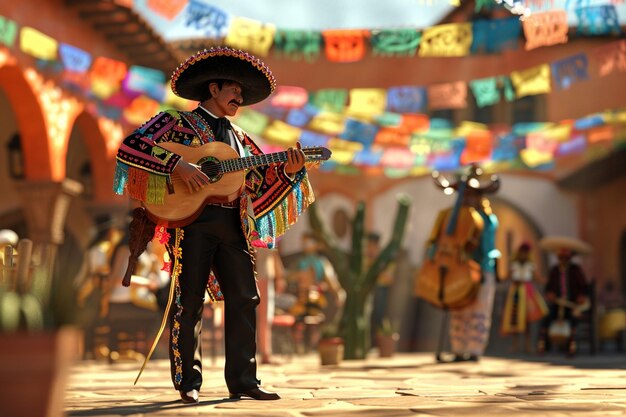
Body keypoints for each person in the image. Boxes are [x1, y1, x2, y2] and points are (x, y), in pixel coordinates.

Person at [113, 46, 315, 404]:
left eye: (241, 92)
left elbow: (260, 193)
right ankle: (187, 380)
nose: (240, 96)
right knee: (188, 300)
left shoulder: (243, 139)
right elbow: (131, 146)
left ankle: (243, 380)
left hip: (233, 222)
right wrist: (177, 164)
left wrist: (288, 171)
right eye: (234, 89)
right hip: (191, 221)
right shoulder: (175, 121)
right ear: (213, 89)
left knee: (245, 297)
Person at [420, 165, 500, 363]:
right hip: (456, 269)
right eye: (464, 195)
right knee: (459, 310)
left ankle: (473, 350)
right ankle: (458, 349)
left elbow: (487, 245)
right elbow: (437, 241)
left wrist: (482, 266)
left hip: (481, 269)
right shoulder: (449, 216)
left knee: (478, 312)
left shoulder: (487, 220)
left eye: (471, 194)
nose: (466, 199)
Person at [537, 247, 590, 356]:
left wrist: (581, 296)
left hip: (571, 304)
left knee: (572, 319)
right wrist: (550, 294)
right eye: (561, 257)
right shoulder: (554, 270)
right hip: (558, 303)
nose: (563, 260)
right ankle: (544, 345)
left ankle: (571, 345)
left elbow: (584, 286)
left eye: (566, 257)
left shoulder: (575, 270)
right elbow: (548, 287)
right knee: (546, 318)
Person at [500, 242, 548, 353]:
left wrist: (545, 280)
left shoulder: (530, 265)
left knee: (527, 320)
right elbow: (506, 277)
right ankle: (515, 346)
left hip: (527, 292)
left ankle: (528, 346)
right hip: (516, 292)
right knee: (515, 318)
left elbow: (537, 278)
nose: (524, 254)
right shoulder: (514, 264)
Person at [254, 246, 286, 364]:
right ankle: (265, 353)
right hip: (261, 273)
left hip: (263, 272)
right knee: (264, 317)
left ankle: (265, 352)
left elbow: (273, 250)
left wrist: (280, 276)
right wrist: (280, 276)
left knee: (264, 317)